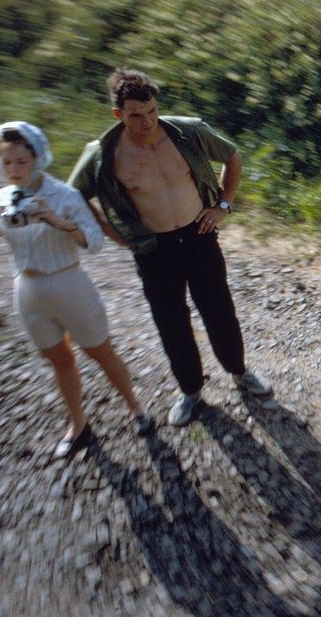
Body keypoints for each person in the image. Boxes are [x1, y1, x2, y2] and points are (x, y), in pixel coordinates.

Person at [69, 69, 271, 427]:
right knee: (171, 322)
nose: (147, 121)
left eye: (151, 112)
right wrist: (112, 233)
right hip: (153, 247)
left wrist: (222, 206)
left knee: (219, 309)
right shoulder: (104, 152)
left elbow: (233, 157)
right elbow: (74, 196)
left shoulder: (187, 131)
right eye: (136, 116)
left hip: (199, 233)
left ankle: (240, 373)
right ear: (118, 114)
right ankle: (190, 390)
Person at [0, 121, 153, 458]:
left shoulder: (63, 195)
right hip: (27, 289)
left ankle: (136, 407)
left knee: (100, 351)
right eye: (7, 162)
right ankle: (78, 425)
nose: (14, 169)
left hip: (70, 283)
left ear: (38, 158)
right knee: (59, 360)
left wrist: (57, 221)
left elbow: (94, 243)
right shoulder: (0, 199)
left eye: (22, 161)